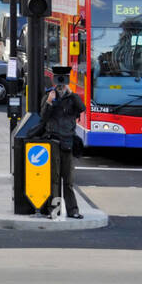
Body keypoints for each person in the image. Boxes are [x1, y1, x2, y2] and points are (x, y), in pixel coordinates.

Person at [39, 76, 86, 219]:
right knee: (54, 179)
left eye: (63, 84)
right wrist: (49, 102)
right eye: (59, 84)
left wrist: (71, 93)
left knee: (69, 180)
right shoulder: (49, 97)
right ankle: (54, 210)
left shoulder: (72, 98)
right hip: (54, 141)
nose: (60, 87)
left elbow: (82, 108)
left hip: (68, 142)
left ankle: (73, 210)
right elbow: (43, 117)